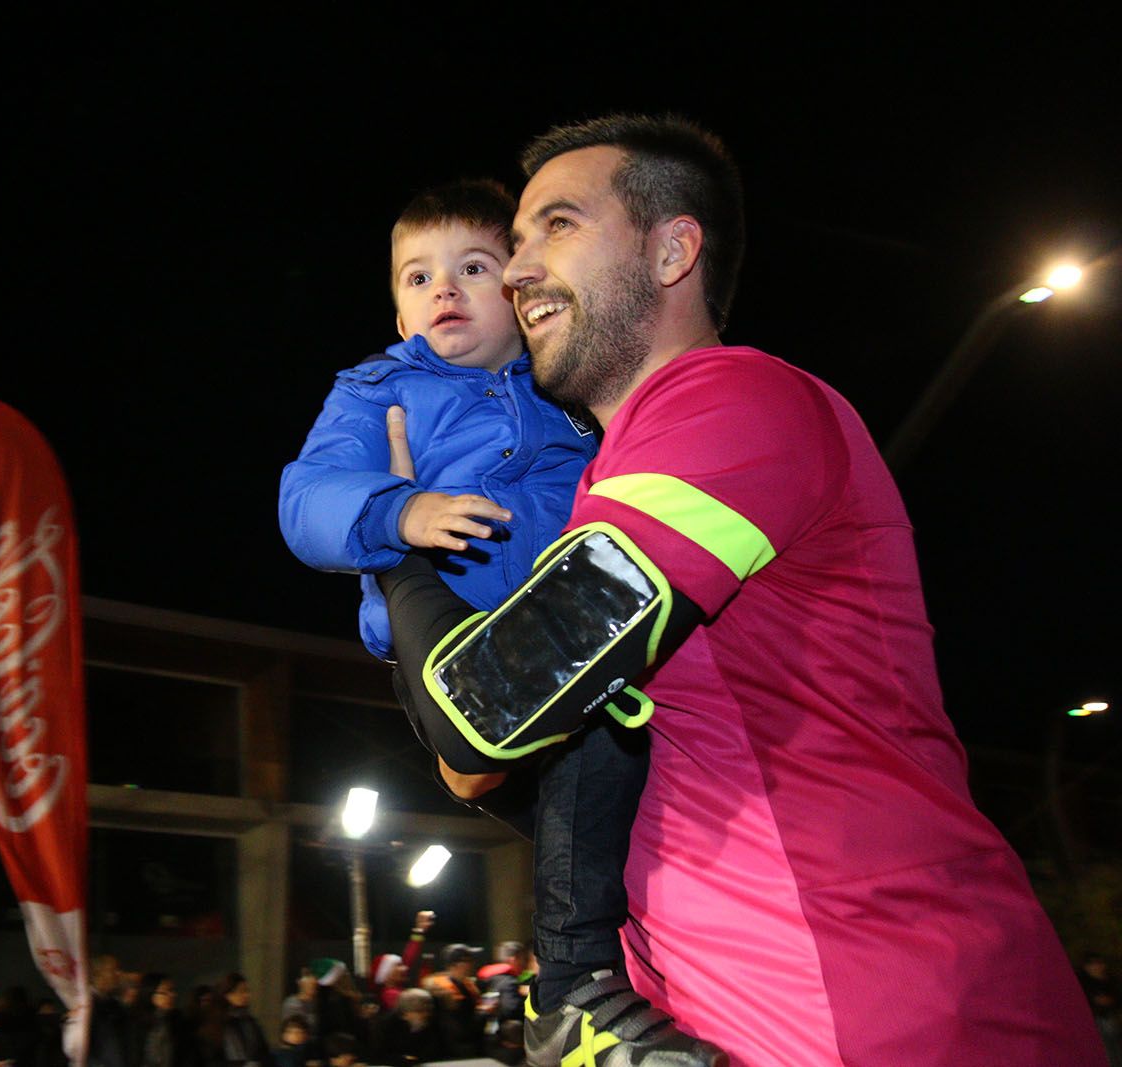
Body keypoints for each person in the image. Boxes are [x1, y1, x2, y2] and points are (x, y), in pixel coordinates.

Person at [377, 111, 1106, 1065]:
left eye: (556, 226)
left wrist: (392, 537)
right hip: (744, 1023)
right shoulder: (610, 479)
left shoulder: (734, 400)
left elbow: (487, 709)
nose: (514, 271)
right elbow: (481, 761)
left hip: (882, 1013)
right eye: (513, 243)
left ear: (675, 249)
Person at [276, 178, 649, 1049]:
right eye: (417, 276)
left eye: (471, 267)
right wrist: (399, 513)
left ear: (521, 285)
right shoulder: (380, 389)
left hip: (569, 638)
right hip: (451, 644)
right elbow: (306, 495)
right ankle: (569, 980)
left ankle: (615, 969)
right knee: (576, 779)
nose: (442, 289)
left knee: (608, 799)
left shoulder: (566, 390)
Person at [195, 975, 268, 1067]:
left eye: (247, 991)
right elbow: (210, 1059)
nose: (247, 995)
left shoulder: (249, 1021)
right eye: (241, 991)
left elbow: (264, 1052)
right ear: (227, 994)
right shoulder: (215, 1024)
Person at [132, 976, 197, 1067]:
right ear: (151, 994)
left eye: (172, 991)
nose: (173, 995)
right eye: (165, 992)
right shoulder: (137, 1024)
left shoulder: (177, 1021)